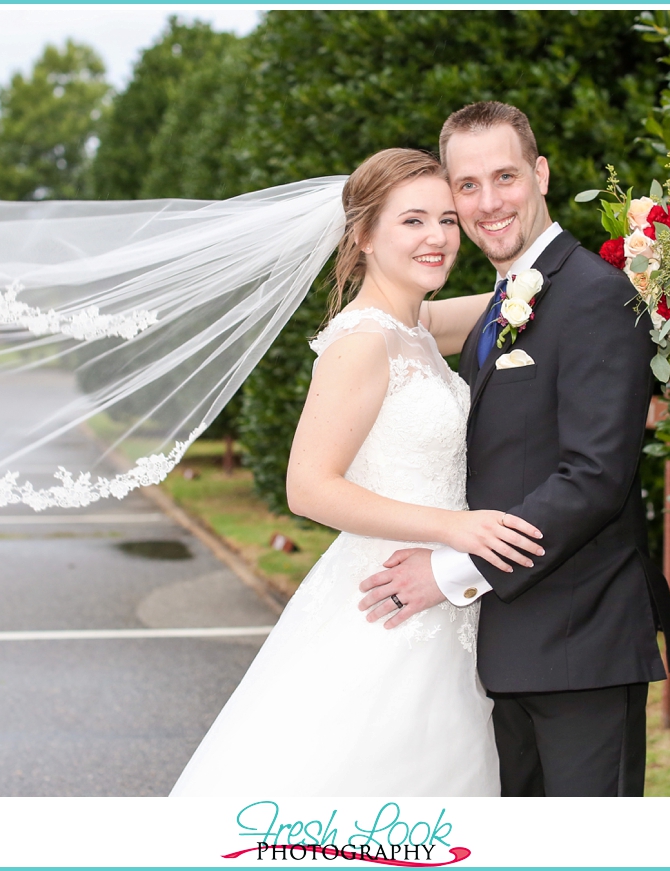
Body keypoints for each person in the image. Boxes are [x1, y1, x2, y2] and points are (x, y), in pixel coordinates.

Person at [169, 148, 544, 797]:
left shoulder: (418, 327)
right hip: (390, 596)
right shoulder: (362, 341)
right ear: (364, 235)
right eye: (414, 221)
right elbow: (308, 486)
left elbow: (529, 295)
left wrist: (639, 269)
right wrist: (454, 527)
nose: (437, 237)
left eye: (448, 219)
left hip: (446, 597)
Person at [359, 102, 670, 797]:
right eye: (466, 186)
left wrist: (450, 570)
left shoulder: (596, 296)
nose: (488, 202)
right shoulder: (506, 300)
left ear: (540, 174)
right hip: (506, 648)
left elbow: (593, 478)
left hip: (580, 646)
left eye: (504, 176)